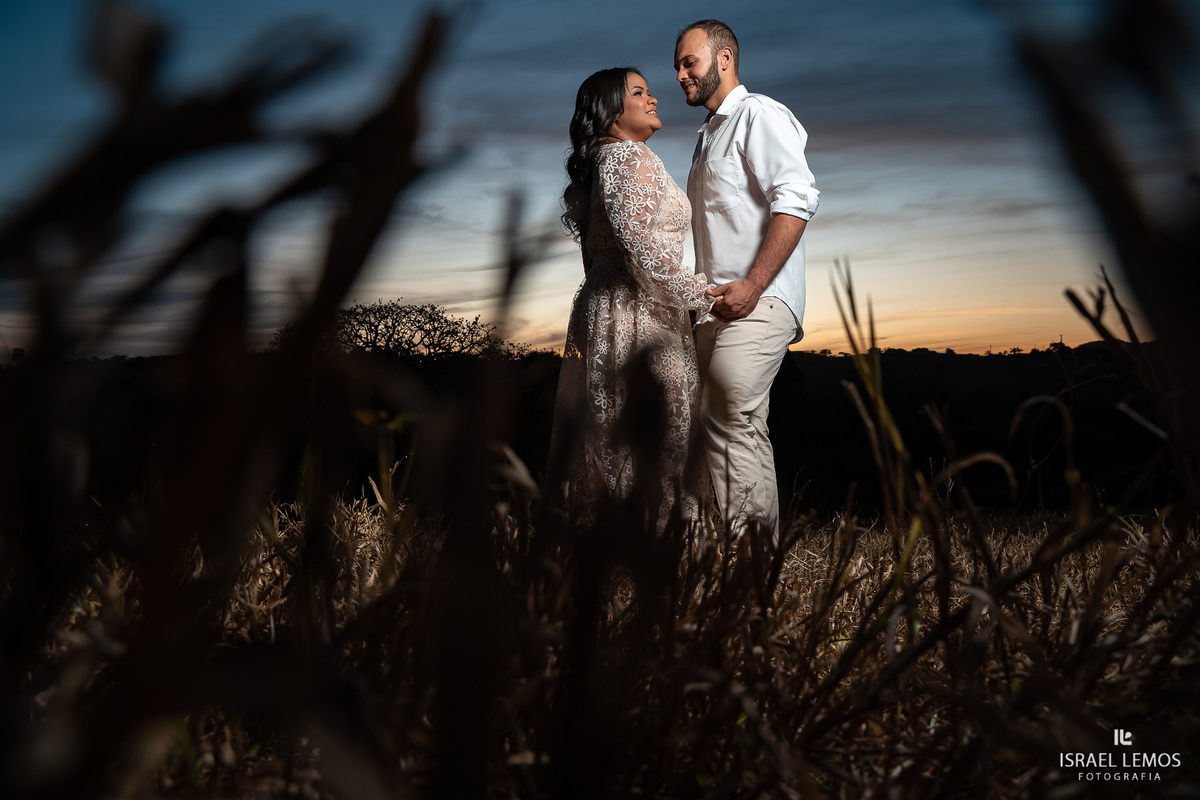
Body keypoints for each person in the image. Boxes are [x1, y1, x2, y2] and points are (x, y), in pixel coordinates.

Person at [674, 20, 820, 538]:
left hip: (759, 302)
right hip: (715, 309)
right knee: (731, 427)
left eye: (689, 62)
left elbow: (797, 199)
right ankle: (743, 558)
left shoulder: (759, 114)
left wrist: (754, 284)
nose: (680, 74)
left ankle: (751, 565)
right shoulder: (705, 135)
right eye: (678, 66)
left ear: (725, 58)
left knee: (728, 416)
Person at [551, 67, 715, 526]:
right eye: (639, 92)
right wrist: (703, 297)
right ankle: (664, 549)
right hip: (637, 308)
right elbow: (642, 248)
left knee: (618, 432)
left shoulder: (606, 161)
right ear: (610, 112)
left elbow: (596, 255)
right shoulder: (626, 157)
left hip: (612, 303)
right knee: (660, 437)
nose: (653, 98)